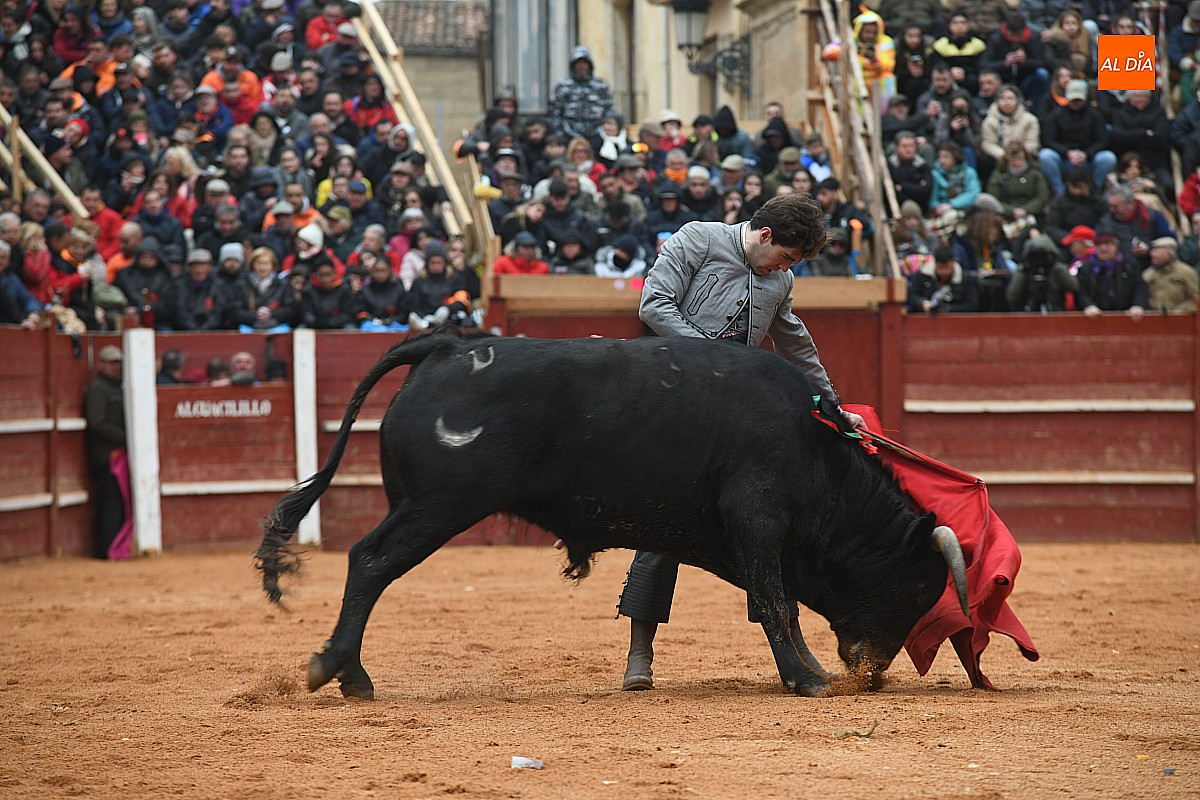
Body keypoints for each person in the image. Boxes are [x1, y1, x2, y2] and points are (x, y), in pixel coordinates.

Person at [618, 192, 865, 691]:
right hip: (673, 406)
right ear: (764, 235)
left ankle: (793, 645)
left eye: (791, 265)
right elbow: (654, 304)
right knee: (663, 526)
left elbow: (796, 345)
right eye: (784, 257)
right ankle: (639, 654)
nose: (784, 269)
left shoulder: (781, 280)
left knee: (767, 526)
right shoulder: (698, 239)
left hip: (733, 420)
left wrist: (833, 407)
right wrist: (717, 360)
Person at [84, 345, 129, 559]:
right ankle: (107, 548)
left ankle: (114, 546)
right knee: (112, 500)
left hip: (117, 453)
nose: (115, 367)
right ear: (100, 364)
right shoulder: (98, 388)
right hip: (107, 455)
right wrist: (126, 438)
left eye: (118, 363)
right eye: (111, 363)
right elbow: (97, 422)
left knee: (117, 500)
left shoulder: (118, 386)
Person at [1075, 232, 1148, 319]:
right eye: (1099, 245)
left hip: (1127, 316)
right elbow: (1081, 291)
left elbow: (1140, 287)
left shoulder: (1130, 265)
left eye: (1108, 244)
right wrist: (1088, 305)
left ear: (1116, 246)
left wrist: (1138, 305)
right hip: (1095, 317)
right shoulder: (1086, 268)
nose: (1103, 248)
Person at [547, 45, 613, 140]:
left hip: (597, 134)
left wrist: (605, 131)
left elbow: (609, 110)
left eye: (584, 63)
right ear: (573, 65)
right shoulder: (563, 85)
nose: (581, 66)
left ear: (589, 65)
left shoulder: (601, 85)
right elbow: (554, 111)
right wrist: (560, 133)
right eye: (578, 63)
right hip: (568, 134)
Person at [906, 244, 980, 313]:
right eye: (940, 267)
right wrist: (922, 302)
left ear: (953, 263)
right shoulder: (923, 275)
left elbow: (972, 305)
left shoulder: (966, 280)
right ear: (935, 264)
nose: (944, 272)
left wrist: (948, 309)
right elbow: (912, 296)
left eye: (947, 267)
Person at [1142, 238, 1199, 313]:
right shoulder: (1147, 274)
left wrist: (1179, 311)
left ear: (1169, 253)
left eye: (1157, 251)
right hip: (1153, 317)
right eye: (1152, 250)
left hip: (1180, 318)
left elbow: (1195, 299)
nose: (1152, 254)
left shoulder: (1186, 272)